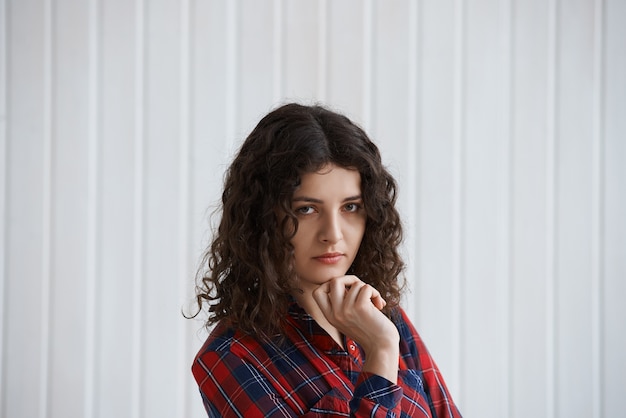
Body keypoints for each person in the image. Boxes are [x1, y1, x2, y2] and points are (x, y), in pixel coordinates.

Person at [190, 103, 462, 417]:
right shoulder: (231, 357)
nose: (332, 234)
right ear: (263, 218)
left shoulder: (385, 318)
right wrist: (380, 354)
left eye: (350, 207)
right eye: (306, 209)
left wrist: (382, 339)